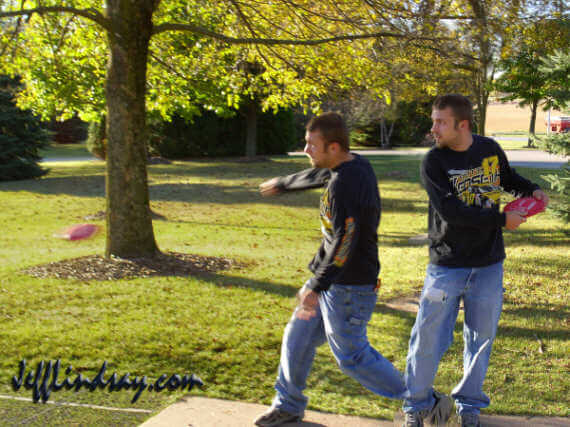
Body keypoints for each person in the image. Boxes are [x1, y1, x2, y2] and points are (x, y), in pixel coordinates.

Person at [254, 112, 452, 427]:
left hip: (349, 286)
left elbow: (345, 240)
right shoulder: (346, 165)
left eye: (311, 145)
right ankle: (288, 405)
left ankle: (427, 402)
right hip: (333, 279)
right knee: (297, 337)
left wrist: (316, 286)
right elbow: (317, 176)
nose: (305, 150)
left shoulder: (347, 182)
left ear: (333, 148)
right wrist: (283, 183)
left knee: (353, 357)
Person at [402, 94, 549, 427]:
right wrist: (501, 221)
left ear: (462, 125)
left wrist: (533, 190)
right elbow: (451, 212)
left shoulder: (489, 149)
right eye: (433, 120)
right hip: (446, 265)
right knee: (427, 338)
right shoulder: (433, 162)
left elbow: (507, 179)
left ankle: (468, 406)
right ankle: (415, 405)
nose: (433, 128)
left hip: (488, 264)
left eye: (440, 122)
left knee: (480, 339)